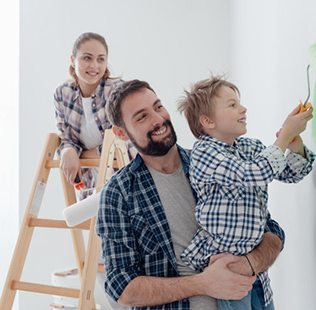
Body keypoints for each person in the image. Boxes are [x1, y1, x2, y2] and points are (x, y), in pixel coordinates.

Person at [96, 79, 286, 310]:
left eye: (158, 107)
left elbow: (272, 232)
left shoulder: (213, 163)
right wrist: (203, 284)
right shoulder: (119, 193)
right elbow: (121, 287)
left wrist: (249, 263)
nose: (158, 119)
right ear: (121, 133)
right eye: (141, 116)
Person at [176, 76, 316, 310]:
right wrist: (281, 139)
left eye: (239, 103)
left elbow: (291, 173)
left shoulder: (249, 147)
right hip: (227, 267)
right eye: (232, 105)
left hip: (255, 265)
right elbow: (255, 172)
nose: (243, 109)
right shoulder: (204, 153)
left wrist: (292, 143)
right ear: (208, 121)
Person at [53, 32, 135, 199]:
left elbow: (123, 140)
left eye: (101, 59)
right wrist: (68, 149)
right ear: (72, 60)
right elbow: (65, 138)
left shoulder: (117, 90)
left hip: (126, 177)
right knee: (83, 220)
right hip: (89, 181)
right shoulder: (62, 93)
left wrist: (78, 154)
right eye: (87, 58)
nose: (94, 66)